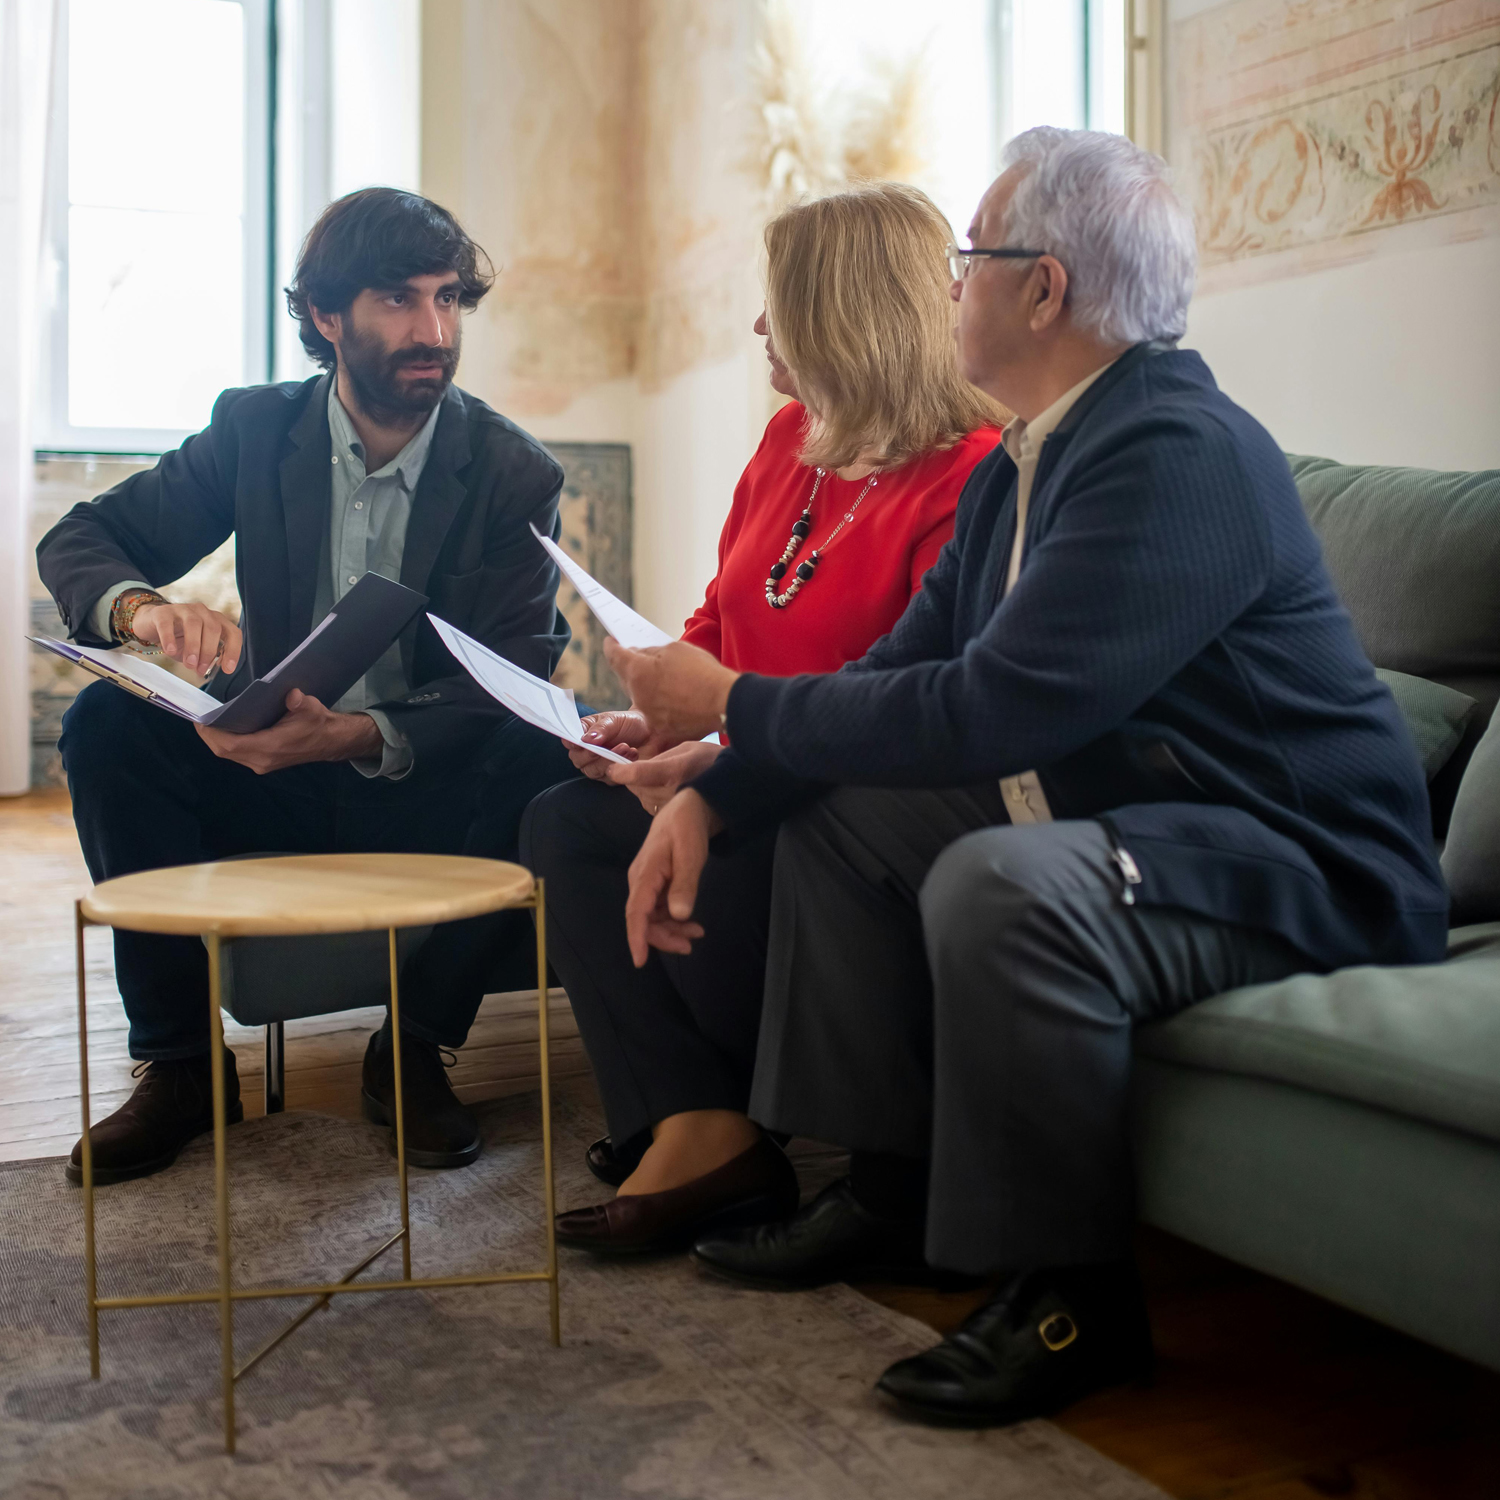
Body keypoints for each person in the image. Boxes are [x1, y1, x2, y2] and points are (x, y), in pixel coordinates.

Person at [598, 129, 1448, 1426]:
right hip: (1164, 826)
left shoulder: (1176, 449)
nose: (947, 286)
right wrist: (722, 787)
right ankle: (893, 1191)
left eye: (968, 260)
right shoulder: (1025, 462)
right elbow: (897, 673)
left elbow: (992, 710)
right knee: (847, 809)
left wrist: (727, 704)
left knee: (1003, 882)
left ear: (1042, 289)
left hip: (1306, 864)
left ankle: (1074, 1298)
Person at [39, 188, 580, 1184]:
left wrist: (362, 734)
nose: (434, 332)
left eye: (448, 298)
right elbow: (85, 538)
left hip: (422, 785)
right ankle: (181, 1067)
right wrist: (142, 611)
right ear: (326, 317)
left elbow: (514, 676)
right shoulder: (254, 429)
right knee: (106, 723)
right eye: (398, 300)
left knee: (547, 740)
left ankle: (414, 1047)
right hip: (269, 772)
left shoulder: (513, 473)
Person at [520, 182, 1005, 1250]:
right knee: (566, 822)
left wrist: (718, 760)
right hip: (743, 766)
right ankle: (699, 1123)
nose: (756, 327)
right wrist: (659, 723)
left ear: (844, 317)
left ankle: (745, 1115)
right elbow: (723, 617)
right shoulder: (793, 437)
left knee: (712, 856)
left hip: (840, 799)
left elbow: (904, 704)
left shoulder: (970, 477)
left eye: (777, 305)